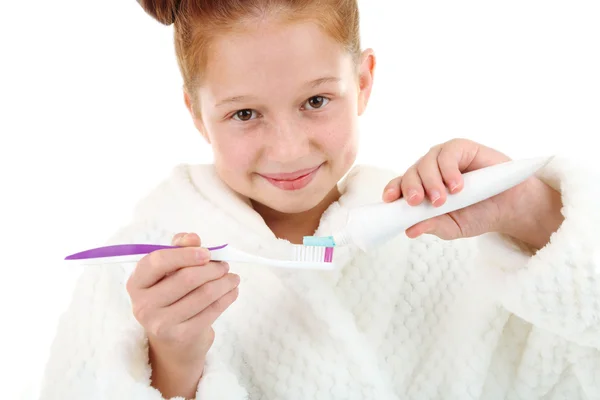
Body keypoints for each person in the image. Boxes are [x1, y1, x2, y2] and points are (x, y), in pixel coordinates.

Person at [39, 1, 599, 399]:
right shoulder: (135, 280)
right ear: (194, 111)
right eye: (244, 114)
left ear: (364, 81)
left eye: (315, 101)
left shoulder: (446, 241)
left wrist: (532, 215)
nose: (287, 149)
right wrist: (171, 366)